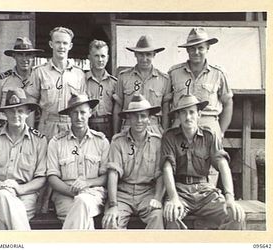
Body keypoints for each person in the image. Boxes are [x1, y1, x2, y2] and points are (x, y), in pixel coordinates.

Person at [161, 93, 245, 230]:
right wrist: (173, 198)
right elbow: (167, 168)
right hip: (180, 191)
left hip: (205, 192)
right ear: (178, 116)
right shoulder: (170, 137)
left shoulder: (209, 135)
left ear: (199, 114)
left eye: (192, 112)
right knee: (171, 215)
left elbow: (223, 165)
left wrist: (230, 197)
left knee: (235, 216)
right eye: (183, 113)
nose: (188, 117)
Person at [0, 88, 47, 230]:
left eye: (20, 111)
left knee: (3, 221)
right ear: (4, 113)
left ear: (28, 113)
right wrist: (2, 186)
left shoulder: (39, 141)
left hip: (25, 195)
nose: (15, 115)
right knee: (4, 197)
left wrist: (19, 189)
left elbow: (41, 178)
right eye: (11, 111)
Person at [168, 27, 234, 185]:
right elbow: (167, 102)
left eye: (200, 48)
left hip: (208, 122)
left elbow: (228, 102)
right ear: (187, 50)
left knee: (211, 165)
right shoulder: (174, 73)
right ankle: (179, 198)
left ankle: (208, 195)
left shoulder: (218, 73)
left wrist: (221, 131)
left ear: (207, 48)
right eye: (192, 48)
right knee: (178, 161)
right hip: (182, 121)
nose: (196, 52)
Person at [47, 94, 109, 229]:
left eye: (82, 112)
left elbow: (106, 177)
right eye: (74, 113)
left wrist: (87, 184)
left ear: (90, 113)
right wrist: (74, 192)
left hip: (93, 194)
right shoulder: (56, 143)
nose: (79, 117)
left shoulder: (101, 142)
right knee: (84, 217)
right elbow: (52, 177)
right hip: (65, 196)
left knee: (83, 202)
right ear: (69, 114)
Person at [102, 94, 164, 229]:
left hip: (147, 193)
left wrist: (157, 198)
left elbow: (161, 175)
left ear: (149, 119)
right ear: (128, 118)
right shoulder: (118, 141)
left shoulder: (157, 142)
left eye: (143, 116)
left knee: (157, 216)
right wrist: (113, 205)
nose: (139, 120)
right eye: (135, 116)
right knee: (111, 222)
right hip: (123, 193)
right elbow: (113, 174)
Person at [26, 26, 86, 141]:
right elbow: (30, 106)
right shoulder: (40, 72)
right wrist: (30, 134)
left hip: (71, 126)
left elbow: (82, 107)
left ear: (70, 46)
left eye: (65, 43)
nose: (61, 46)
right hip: (47, 125)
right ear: (51, 44)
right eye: (58, 42)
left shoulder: (79, 74)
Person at [113, 35, 172, 136]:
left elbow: (165, 109)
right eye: (141, 54)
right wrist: (115, 133)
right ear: (135, 54)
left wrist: (165, 133)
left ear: (154, 55)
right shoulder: (124, 77)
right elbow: (118, 107)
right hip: (129, 127)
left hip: (154, 128)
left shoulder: (164, 79)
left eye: (148, 54)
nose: (144, 59)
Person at [0, 37, 44, 124]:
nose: (24, 59)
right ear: (14, 56)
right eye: (20, 55)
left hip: (33, 131)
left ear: (33, 56)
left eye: (28, 55)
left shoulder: (40, 79)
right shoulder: (2, 80)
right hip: (8, 129)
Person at [86, 39, 117, 140]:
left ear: (107, 58)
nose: (100, 60)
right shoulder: (82, 81)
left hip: (108, 126)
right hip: (88, 125)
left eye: (103, 56)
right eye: (96, 56)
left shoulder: (114, 83)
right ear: (89, 57)